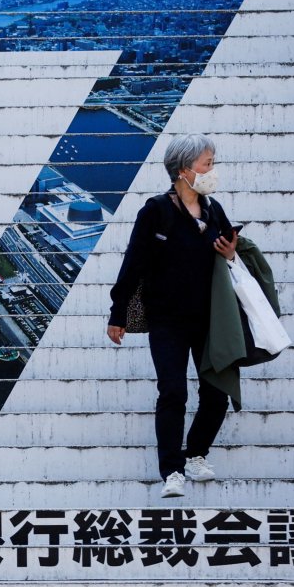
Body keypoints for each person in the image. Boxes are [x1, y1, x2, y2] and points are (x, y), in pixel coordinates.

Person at [106, 133, 239, 498]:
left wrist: (230, 253)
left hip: (210, 319)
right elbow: (133, 264)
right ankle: (172, 470)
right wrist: (118, 313)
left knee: (216, 393)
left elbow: (230, 253)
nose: (212, 170)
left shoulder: (213, 210)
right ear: (184, 170)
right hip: (167, 320)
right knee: (173, 391)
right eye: (206, 164)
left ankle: (196, 453)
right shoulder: (155, 211)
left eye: (212, 163)